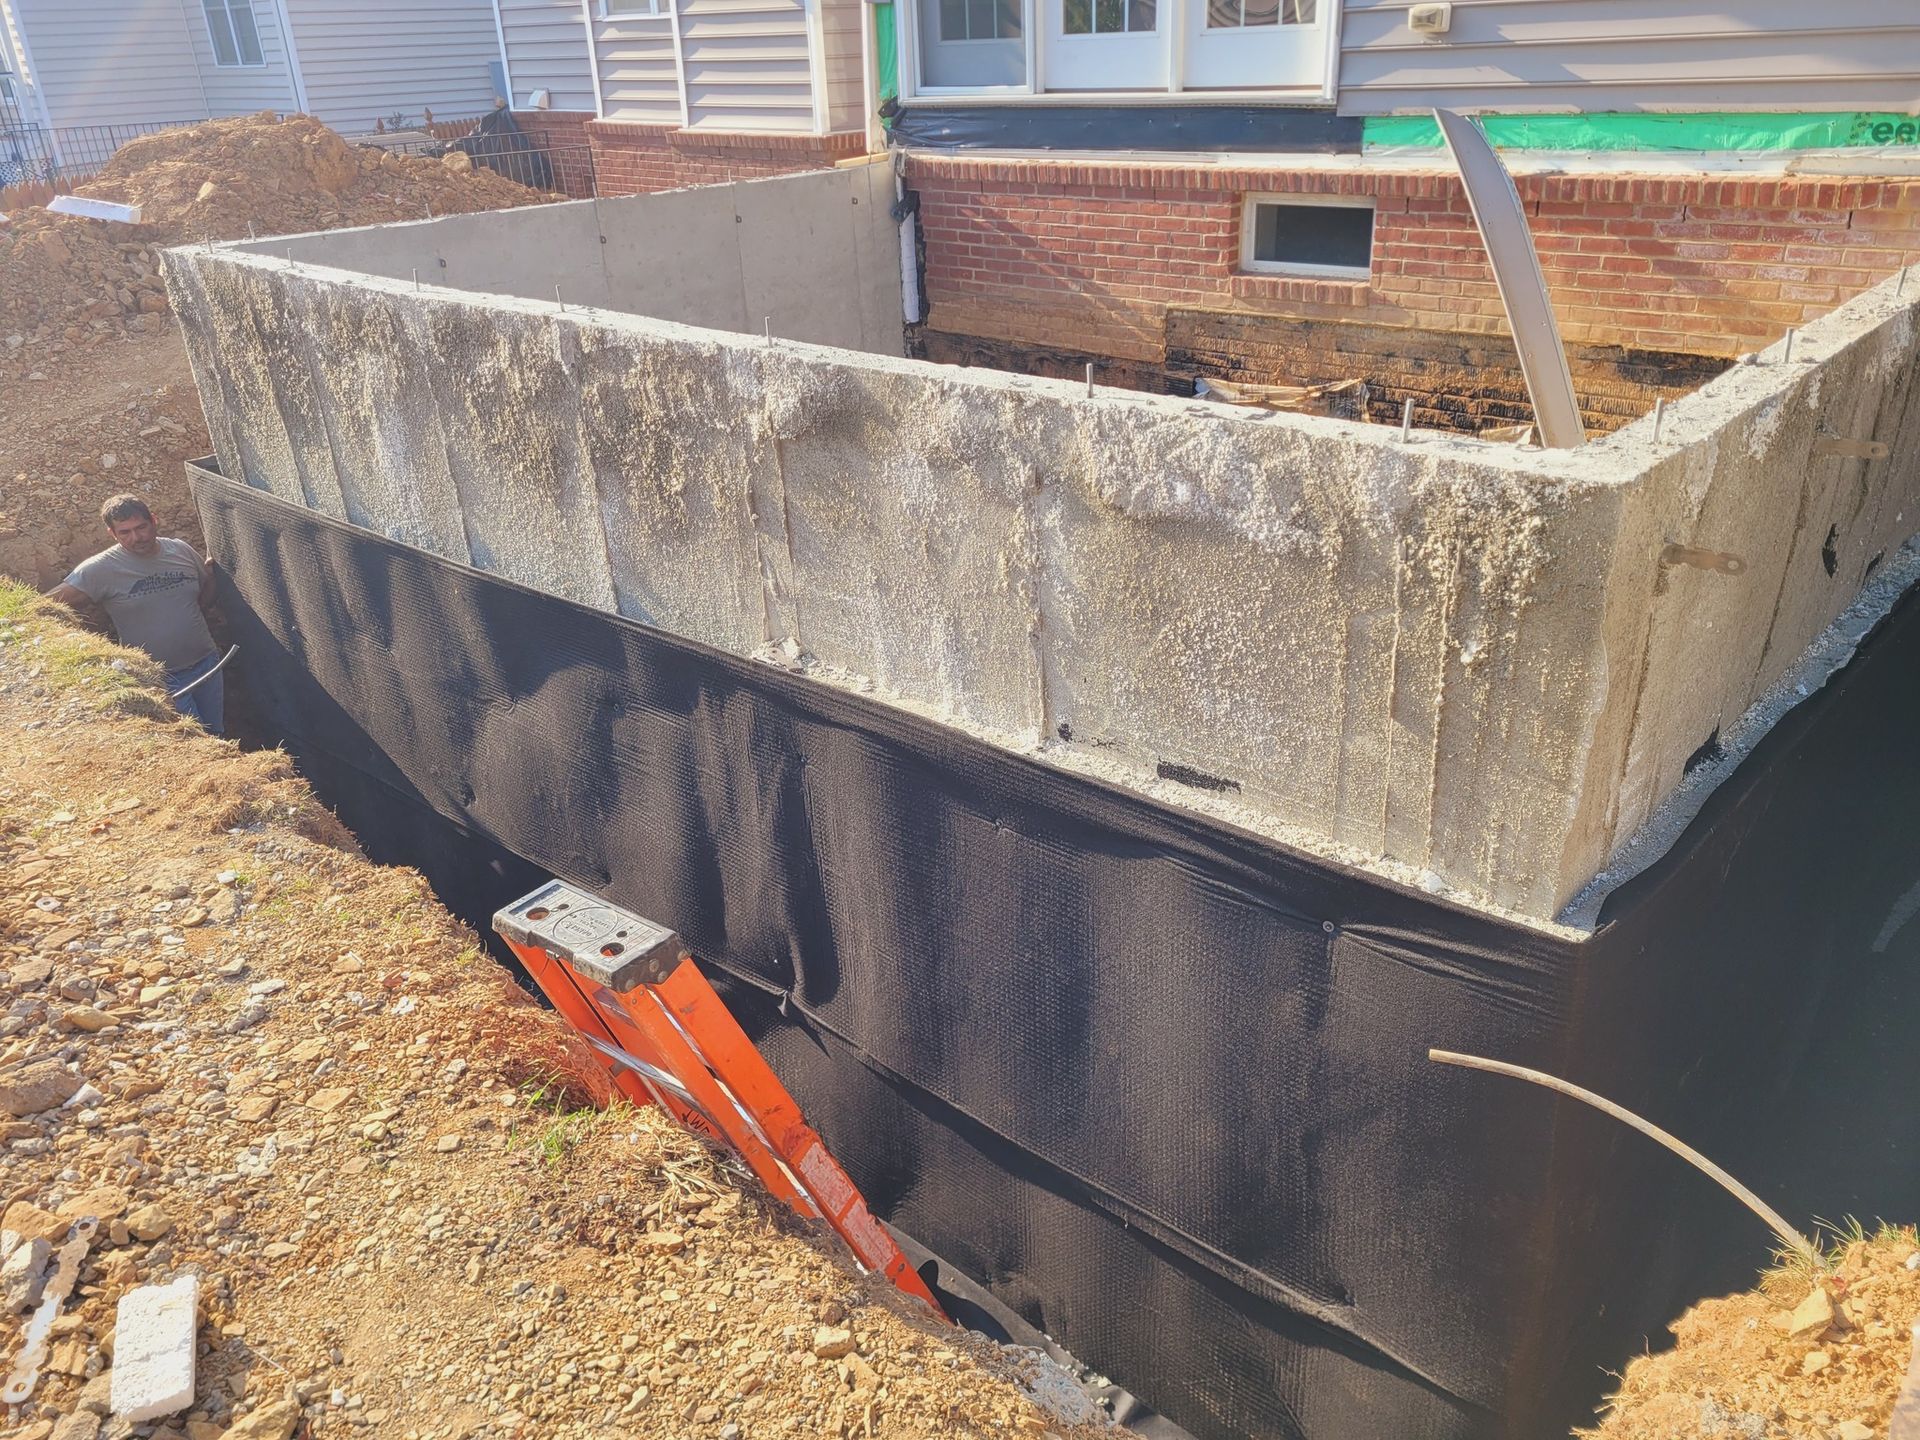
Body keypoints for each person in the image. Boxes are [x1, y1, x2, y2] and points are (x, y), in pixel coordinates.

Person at [47, 495, 226, 734]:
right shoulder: (100, 569)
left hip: (207, 663)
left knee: (217, 734)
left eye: (141, 527)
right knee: (195, 739)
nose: (136, 538)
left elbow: (207, 586)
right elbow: (47, 605)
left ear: (153, 521)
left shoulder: (180, 550)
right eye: (125, 532)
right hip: (159, 680)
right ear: (112, 534)